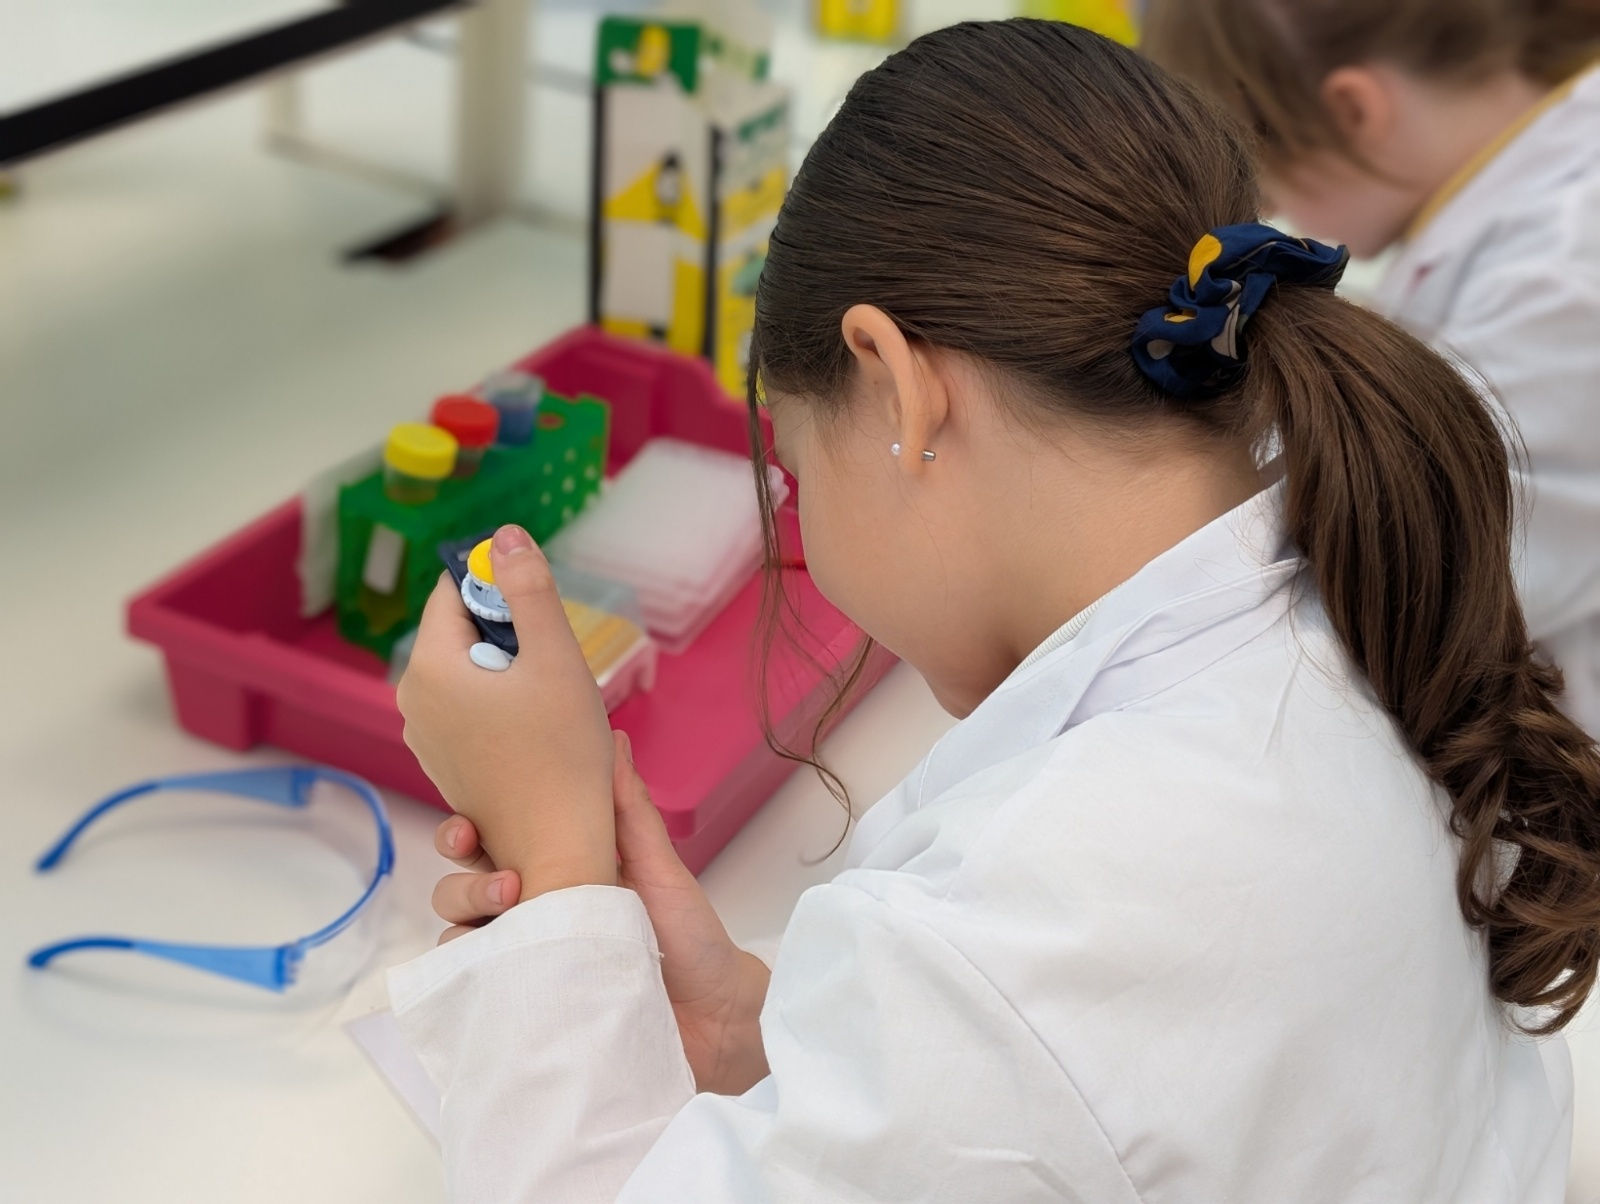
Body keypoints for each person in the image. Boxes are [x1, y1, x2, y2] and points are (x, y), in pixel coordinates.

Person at [389, 20, 1600, 1202]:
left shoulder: (1038, 925)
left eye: (796, 468)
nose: (801, 513)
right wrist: (760, 1028)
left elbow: (1035, 1048)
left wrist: (555, 862)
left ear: (896, 384)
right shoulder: (1372, 598)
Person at [1142, 0, 1600, 737]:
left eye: (1263, 177)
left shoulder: (1565, 275)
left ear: (1354, 111)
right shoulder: (1526, 217)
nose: (1270, 212)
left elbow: (1415, 578)